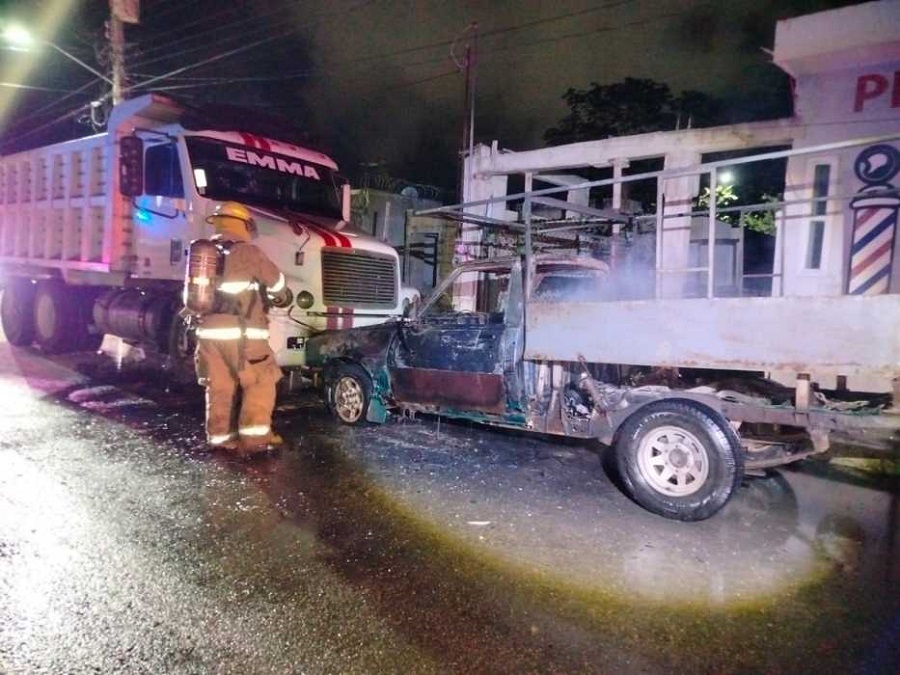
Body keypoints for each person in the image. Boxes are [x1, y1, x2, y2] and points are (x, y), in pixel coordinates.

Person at [194, 201, 288, 457]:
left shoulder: (204, 255)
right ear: (244, 225)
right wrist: (283, 296)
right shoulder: (249, 252)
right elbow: (277, 285)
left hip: (208, 333)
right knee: (261, 381)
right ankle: (256, 441)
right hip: (244, 335)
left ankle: (220, 439)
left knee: (219, 387)